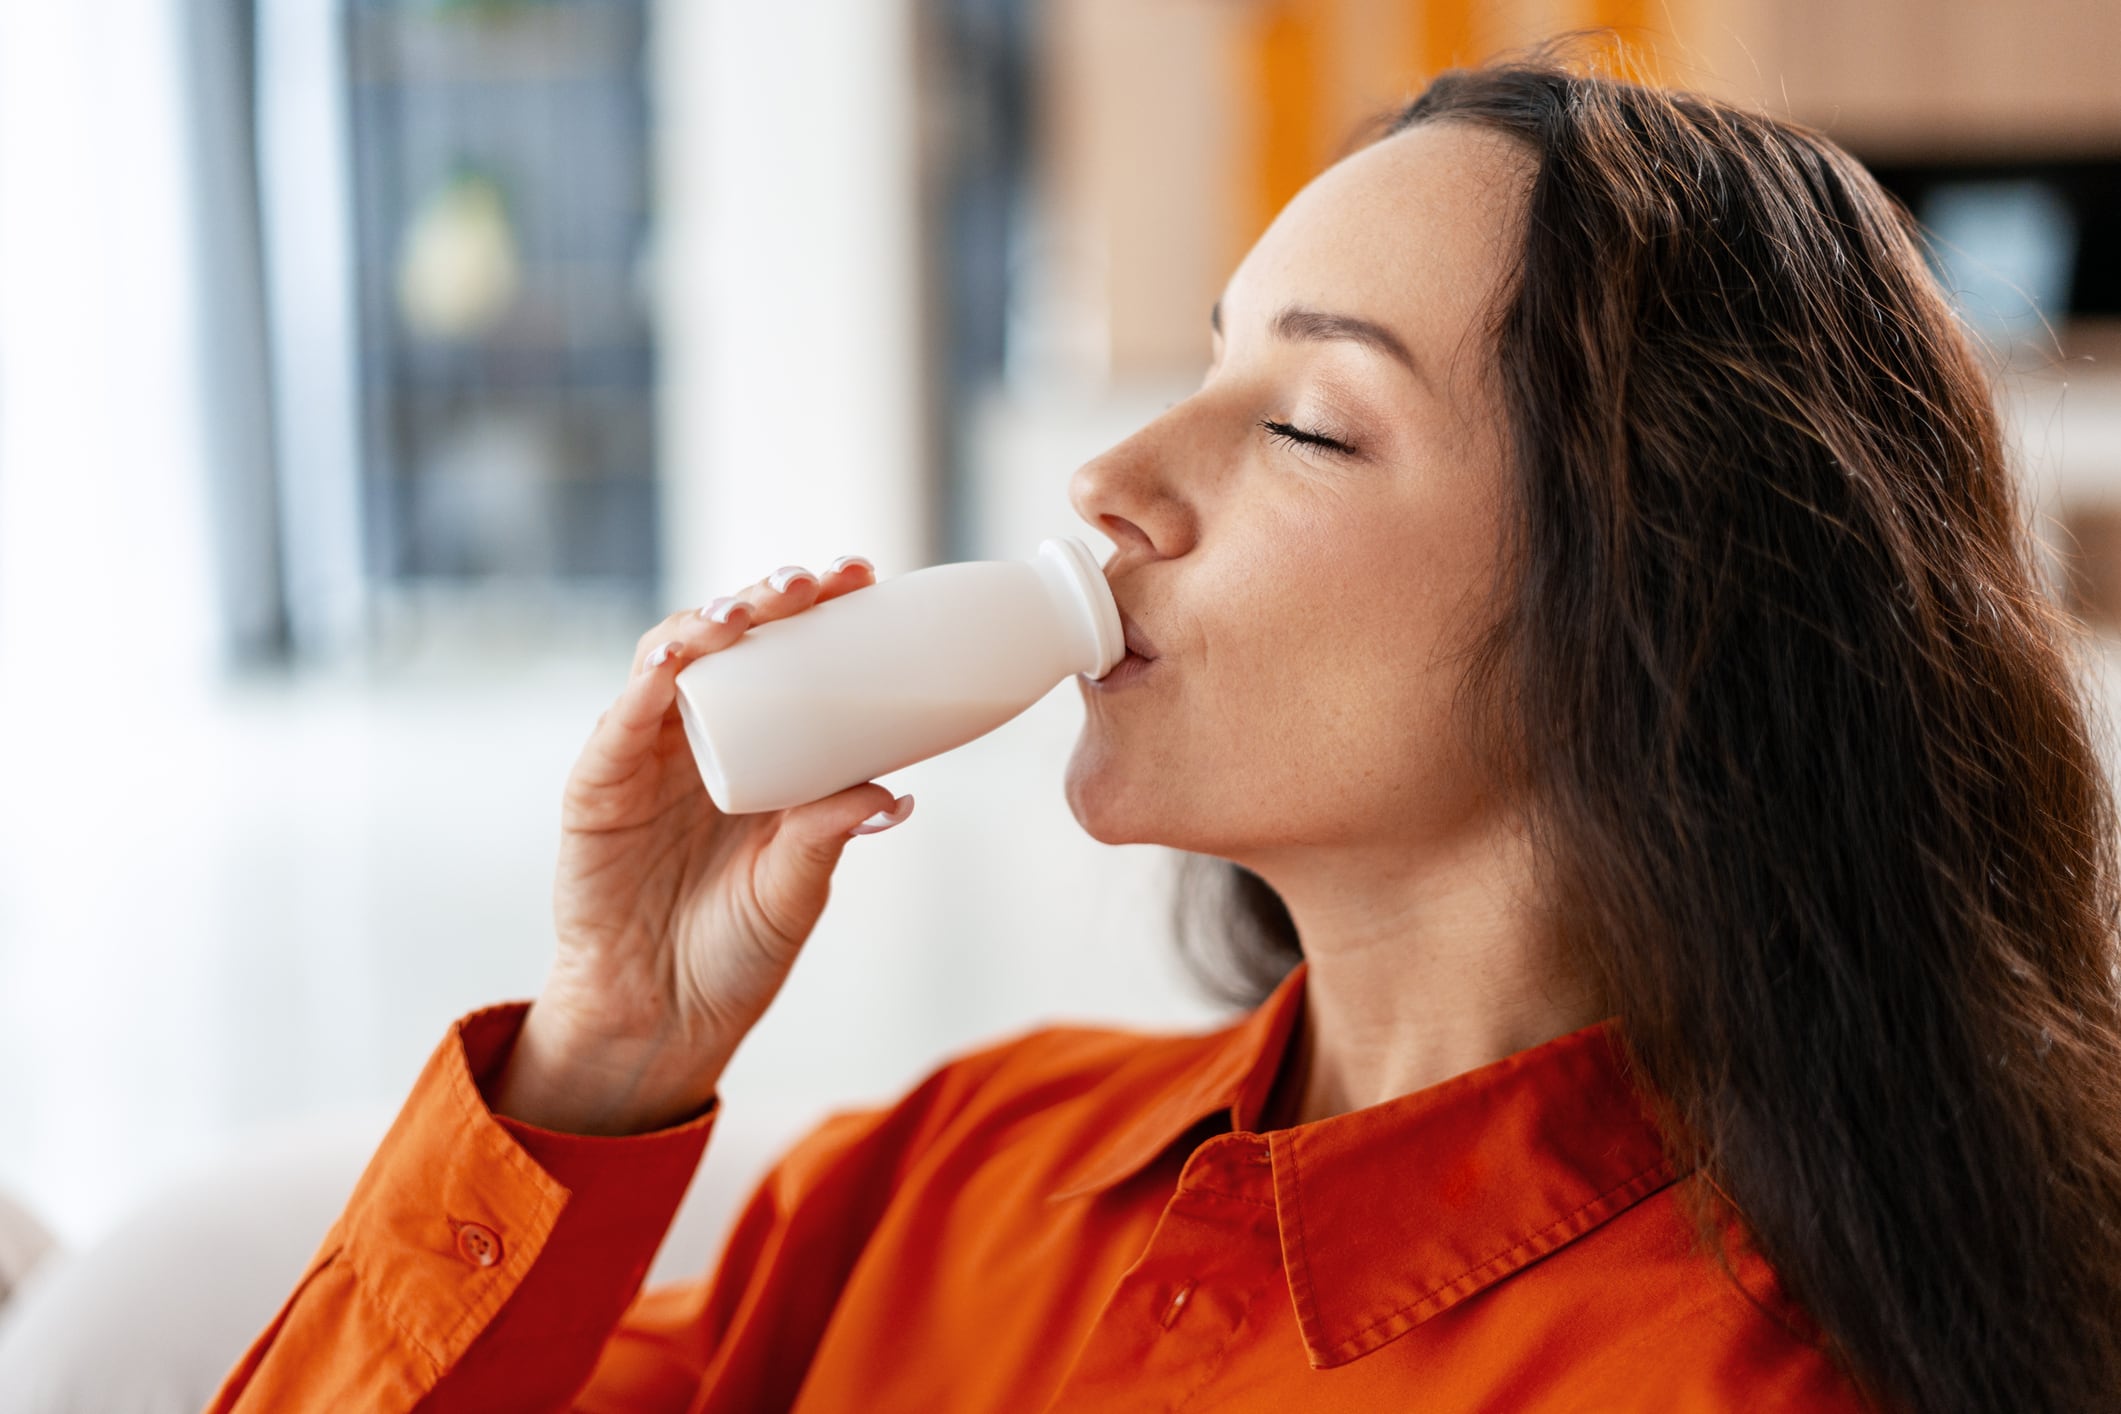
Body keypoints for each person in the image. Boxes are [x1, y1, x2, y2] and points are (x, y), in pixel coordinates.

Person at [207, 47, 2121, 1414]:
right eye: (1211, 357)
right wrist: (598, 1055)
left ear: (1660, 600)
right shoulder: (949, 1175)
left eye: (1302, 420)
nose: (1110, 473)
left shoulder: (1730, 1375)